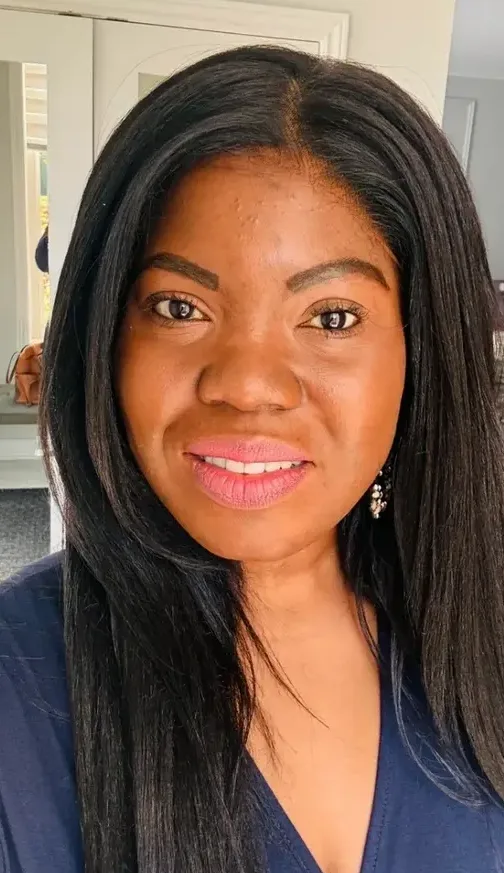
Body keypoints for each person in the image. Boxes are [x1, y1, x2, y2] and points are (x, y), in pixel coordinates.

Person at [0, 45, 503, 873]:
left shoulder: (472, 633)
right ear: (106, 336)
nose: (246, 384)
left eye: (332, 317)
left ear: (422, 354)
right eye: (179, 306)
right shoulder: (21, 693)